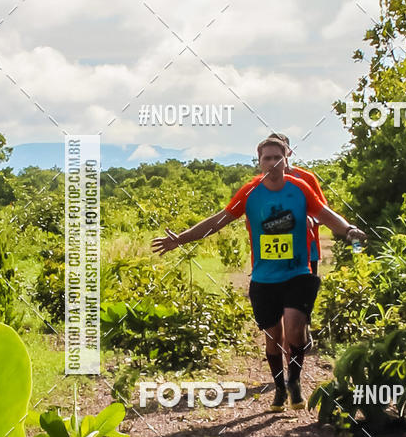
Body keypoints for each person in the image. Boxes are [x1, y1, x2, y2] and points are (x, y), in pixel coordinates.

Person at [152, 137, 366, 412]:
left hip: (298, 272)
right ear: (259, 161)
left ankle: (295, 382)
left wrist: (349, 231)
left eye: (278, 157)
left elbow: (325, 214)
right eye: (267, 158)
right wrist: (181, 239)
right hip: (264, 278)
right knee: (273, 336)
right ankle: (279, 388)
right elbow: (219, 220)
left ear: (287, 160)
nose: (273, 163)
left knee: (295, 328)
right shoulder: (250, 193)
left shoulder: (301, 188)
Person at [265, 132, 327, 275]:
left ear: (289, 152)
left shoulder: (306, 178)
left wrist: (310, 219)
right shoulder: (260, 183)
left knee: (307, 291)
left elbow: (323, 211)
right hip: (274, 248)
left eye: (280, 151)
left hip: (306, 246)